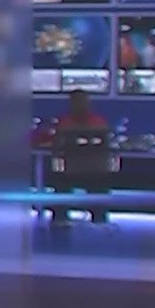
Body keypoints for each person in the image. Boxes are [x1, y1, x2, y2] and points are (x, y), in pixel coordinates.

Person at [50, 89, 111, 225]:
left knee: (98, 185)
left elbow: (56, 147)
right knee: (60, 184)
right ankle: (61, 220)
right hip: (76, 170)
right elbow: (56, 147)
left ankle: (98, 219)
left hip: (89, 171)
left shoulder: (97, 122)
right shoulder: (65, 123)